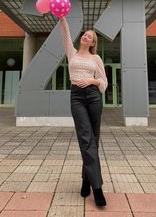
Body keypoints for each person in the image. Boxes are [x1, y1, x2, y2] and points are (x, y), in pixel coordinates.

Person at [60, 17, 108, 206]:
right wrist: (62, 17)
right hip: (77, 97)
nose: (86, 36)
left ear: (93, 43)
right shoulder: (71, 53)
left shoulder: (96, 58)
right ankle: (97, 188)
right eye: (85, 34)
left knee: (93, 141)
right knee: (86, 138)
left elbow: (104, 82)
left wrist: (93, 81)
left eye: (90, 36)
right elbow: (65, 33)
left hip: (94, 96)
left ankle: (86, 180)